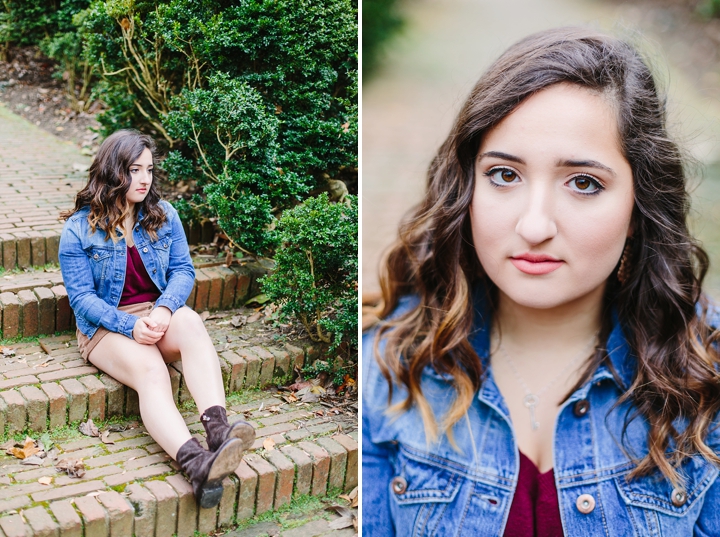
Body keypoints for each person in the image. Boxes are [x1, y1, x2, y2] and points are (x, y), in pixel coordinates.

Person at [362, 27, 720, 536]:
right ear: (466, 186)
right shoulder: (389, 361)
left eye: (584, 183)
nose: (534, 226)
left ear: (639, 207)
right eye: (505, 175)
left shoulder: (708, 379)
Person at [59, 129, 255, 508]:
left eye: (149, 169)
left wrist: (164, 309)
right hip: (105, 327)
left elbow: (183, 269)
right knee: (152, 370)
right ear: (113, 171)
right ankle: (196, 464)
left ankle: (218, 432)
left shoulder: (164, 215)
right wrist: (130, 325)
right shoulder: (78, 229)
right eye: (134, 169)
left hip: (155, 312)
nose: (144, 179)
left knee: (192, 322)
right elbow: (82, 299)